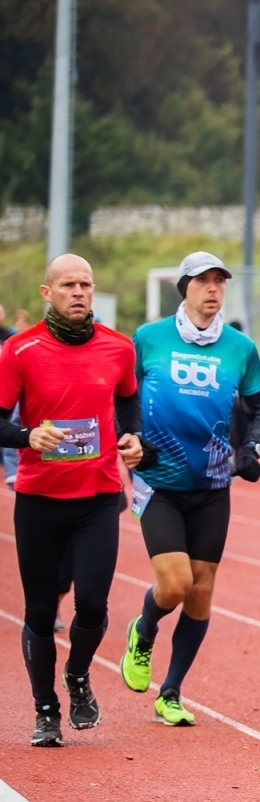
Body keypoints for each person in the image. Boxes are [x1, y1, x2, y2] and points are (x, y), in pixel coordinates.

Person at [119, 252, 260, 726]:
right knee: (177, 583)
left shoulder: (240, 347)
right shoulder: (148, 338)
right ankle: (143, 631)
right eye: (203, 281)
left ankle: (171, 692)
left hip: (212, 482)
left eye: (219, 282)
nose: (213, 289)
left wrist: (253, 448)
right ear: (184, 287)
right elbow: (122, 397)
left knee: (202, 591)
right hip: (159, 478)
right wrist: (133, 440)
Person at [0, 255, 143, 746]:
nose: (79, 292)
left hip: (99, 497)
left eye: (86, 284)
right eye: (68, 285)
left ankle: (78, 674)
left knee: (93, 603)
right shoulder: (19, 350)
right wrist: (26, 436)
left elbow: (127, 400)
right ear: (47, 292)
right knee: (40, 611)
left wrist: (132, 436)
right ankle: (46, 712)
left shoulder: (119, 347)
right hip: (39, 500)